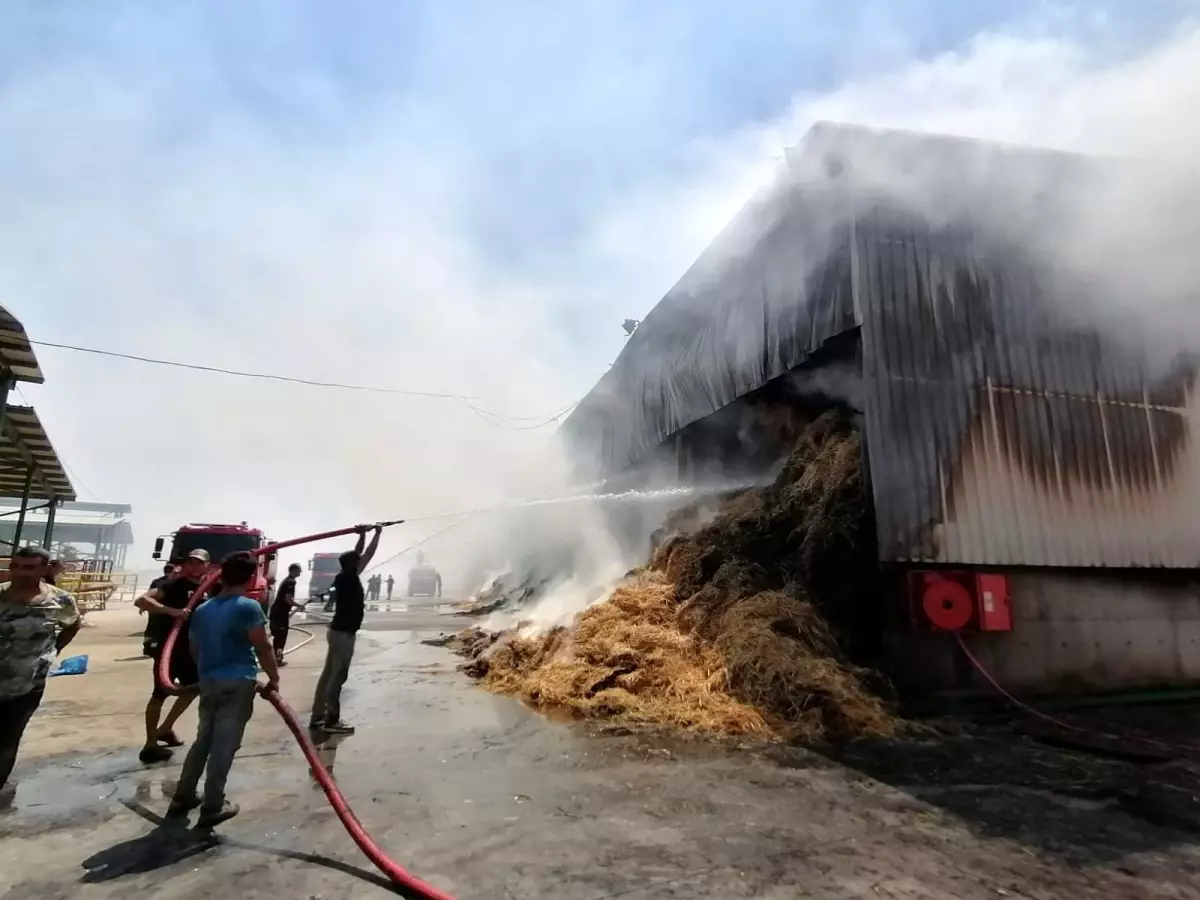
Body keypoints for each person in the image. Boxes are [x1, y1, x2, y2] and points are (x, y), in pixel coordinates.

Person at [168, 551, 279, 828]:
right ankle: (213, 806)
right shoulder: (248, 607)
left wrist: (210, 672)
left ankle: (183, 796)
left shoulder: (203, 609)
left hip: (209, 682)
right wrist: (274, 678)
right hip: (237, 683)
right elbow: (262, 646)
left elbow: (195, 649)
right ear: (252, 576)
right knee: (224, 747)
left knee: (203, 740)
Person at [0, 546, 80, 793]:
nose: (21, 573)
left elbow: (72, 624)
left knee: (7, 740)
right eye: (16, 566)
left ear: (46, 569)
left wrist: (53, 651)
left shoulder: (61, 600)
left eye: (30, 567)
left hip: (28, 685)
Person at [135, 548, 209, 763]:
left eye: (198, 563)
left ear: (207, 565)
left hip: (193, 650)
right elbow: (142, 601)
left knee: (192, 689)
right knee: (159, 694)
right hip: (169, 650)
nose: (194, 567)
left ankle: (165, 728)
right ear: (184, 565)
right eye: (190, 562)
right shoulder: (171, 585)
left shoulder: (211, 588)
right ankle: (150, 744)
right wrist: (172, 611)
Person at [310, 525, 381, 734]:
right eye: (357, 560)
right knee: (337, 676)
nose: (362, 561)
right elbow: (366, 553)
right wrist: (376, 534)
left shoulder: (345, 575)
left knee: (328, 675)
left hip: (338, 632)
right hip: (343, 635)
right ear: (352, 563)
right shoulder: (348, 577)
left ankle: (318, 716)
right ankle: (331, 720)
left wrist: (364, 534)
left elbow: (359, 553)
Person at [269, 563, 303, 667]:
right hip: (280, 614)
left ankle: (275, 659)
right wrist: (299, 605)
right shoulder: (290, 582)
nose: (300, 572)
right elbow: (288, 599)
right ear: (294, 570)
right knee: (280, 638)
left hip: (277, 613)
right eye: (299, 570)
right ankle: (277, 660)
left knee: (277, 637)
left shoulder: (287, 580)